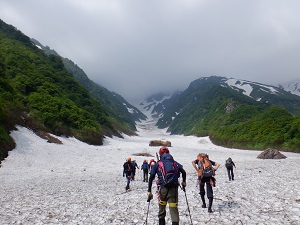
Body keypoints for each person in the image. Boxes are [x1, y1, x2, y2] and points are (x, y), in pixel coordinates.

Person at [148, 146, 186, 225]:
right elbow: (183, 172)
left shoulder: (158, 163)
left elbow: (151, 177)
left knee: (162, 209)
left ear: (160, 154)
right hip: (173, 189)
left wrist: (149, 191)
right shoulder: (174, 163)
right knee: (173, 209)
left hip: (162, 188)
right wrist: (184, 182)